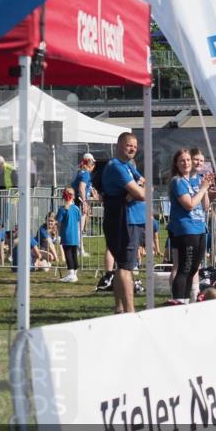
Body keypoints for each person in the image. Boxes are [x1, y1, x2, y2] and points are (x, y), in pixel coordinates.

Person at [100, 132, 146, 313]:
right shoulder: (116, 166)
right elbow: (142, 193)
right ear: (119, 145)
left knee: (122, 266)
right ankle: (130, 311)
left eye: (135, 146)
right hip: (124, 221)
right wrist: (136, 191)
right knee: (126, 267)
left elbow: (144, 184)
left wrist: (136, 190)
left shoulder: (128, 166)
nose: (133, 148)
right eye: (129, 145)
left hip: (131, 219)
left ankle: (120, 309)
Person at [168, 148, 212, 304]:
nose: (186, 163)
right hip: (186, 229)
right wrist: (203, 189)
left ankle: (187, 300)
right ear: (177, 164)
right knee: (185, 267)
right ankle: (179, 300)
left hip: (199, 227)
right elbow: (189, 204)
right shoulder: (177, 181)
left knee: (194, 268)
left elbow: (205, 206)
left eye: (188, 160)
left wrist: (205, 189)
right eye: (182, 160)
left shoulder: (194, 180)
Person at [55, 188, 82, 283]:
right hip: (75, 235)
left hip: (66, 234)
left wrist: (59, 233)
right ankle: (74, 274)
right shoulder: (76, 208)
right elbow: (79, 221)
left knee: (68, 254)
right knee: (74, 253)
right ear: (73, 196)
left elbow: (59, 223)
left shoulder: (62, 209)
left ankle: (71, 274)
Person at [72, 153, 96, 253]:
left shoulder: (80, 172)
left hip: (77, 200)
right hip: (79, 201)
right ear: (90, 164)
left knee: (78, 227)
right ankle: (79, 250)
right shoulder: (85, 174)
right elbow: (81, 189)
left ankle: (79, 249)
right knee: (79, 228)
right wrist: (85, 203)